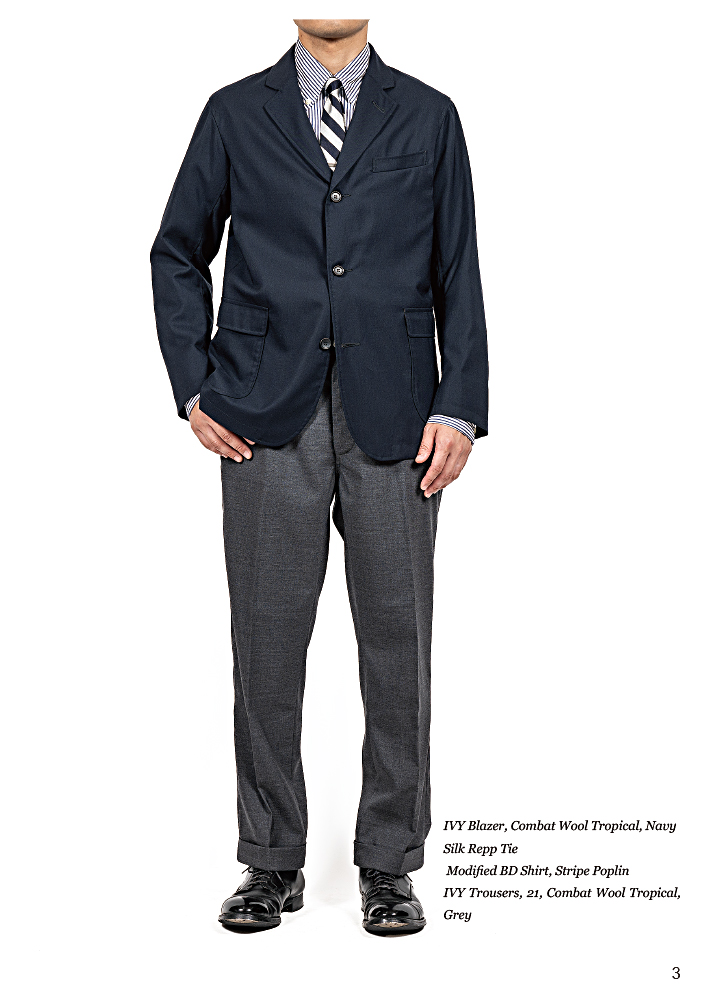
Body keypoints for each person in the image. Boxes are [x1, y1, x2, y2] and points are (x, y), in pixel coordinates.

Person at [150, 18, 488, 936]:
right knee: (265, 641)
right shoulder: (233, 113)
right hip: (263, 411)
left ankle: (390, 863)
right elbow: (177, 251)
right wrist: (194, 388)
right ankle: (270, 859)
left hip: (400, 413)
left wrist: (460, 404)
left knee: (398, 643)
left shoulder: (428, 116)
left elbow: (458, 264)